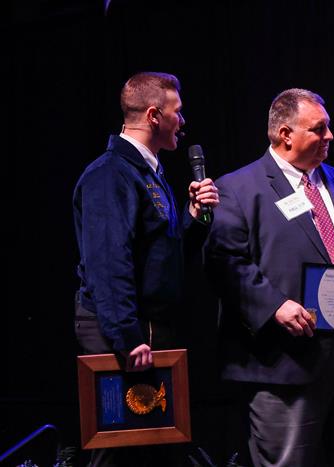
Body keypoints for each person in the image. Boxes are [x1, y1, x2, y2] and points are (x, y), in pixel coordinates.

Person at [205, 88, 334, 466]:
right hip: (285, 360)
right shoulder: (238, 188)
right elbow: (225, 261)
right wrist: (275, 305)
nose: (330, 136)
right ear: (285, 134)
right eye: (319, 129)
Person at [73, 71, 219, 466]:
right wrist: (126, 334)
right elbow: (108, 260)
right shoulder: (110, 173)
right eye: (177, 112)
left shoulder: (148, 172)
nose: (182, 121)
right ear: (154, 116)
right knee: (120, 451)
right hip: (124, 331)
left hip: (150, 326)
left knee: (151, 450)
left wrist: (195, 216)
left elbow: (164, 255)